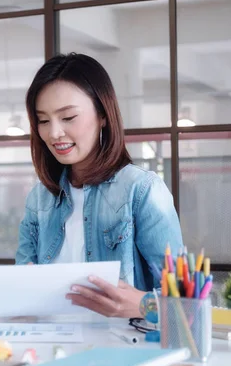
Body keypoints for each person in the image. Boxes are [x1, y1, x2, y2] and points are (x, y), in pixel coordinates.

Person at [16, 53, 183, 318]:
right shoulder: (40, 198)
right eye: (44, 121)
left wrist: (144, 305)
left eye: (68, 117)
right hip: (49, 347)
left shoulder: (142, 191)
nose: (54, 132)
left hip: (123, 352)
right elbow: (21, 287)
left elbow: (185, 305)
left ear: (103, 114)